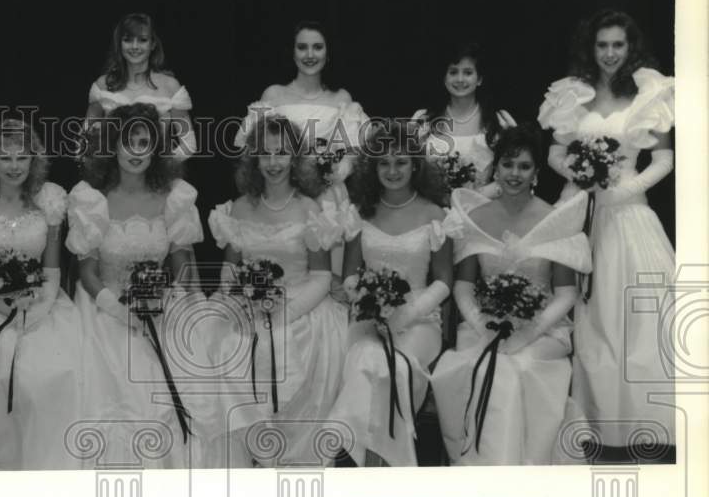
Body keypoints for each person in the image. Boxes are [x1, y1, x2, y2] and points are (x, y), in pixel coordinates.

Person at [538, 9, 675, 456]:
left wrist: (623, 189)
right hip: (580, 213)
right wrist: (579, 172)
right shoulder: (571, 94)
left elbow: (663, 159)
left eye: (618, 44)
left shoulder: (646, 93)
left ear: (630, 47)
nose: (611, 53)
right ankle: (594, 424)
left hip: (628, 216)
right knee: (588, 319)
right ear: (591, 48)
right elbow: (556, 151)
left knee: (633, 318)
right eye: (602, 45)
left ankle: (645, 424)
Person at [430, 125, 591, 465]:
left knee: (516, 367)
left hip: (543, 331)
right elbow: (463, 285)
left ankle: (516, 471)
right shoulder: (475, 217)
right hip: (483, 327)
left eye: (524, 166)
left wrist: (528, 332)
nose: (514, 174)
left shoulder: (554, 219)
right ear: (496, 169)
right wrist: (481, 323)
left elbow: (566, 292)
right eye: (508, 165)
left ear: (535, 173)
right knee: (488, 364)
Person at [68, 104, 212, 468]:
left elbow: (182, 264)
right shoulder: (91, 198)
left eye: (144, 142)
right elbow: (87, 273)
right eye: (127, 142)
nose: (136, 152)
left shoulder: (175, 195)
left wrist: (165, 298)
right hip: (107, 310)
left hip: (162, 307)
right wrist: (122, 310)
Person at [209, 113, 355, 467]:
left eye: (282, 153)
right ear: (255, 159)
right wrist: (244, 302)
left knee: (290, 349)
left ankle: (293, 460)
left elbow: (322, 277)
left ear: (295, 157)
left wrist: (282, 312)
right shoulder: (239, 208)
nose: (274, 163)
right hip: (249, 307)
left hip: (302, 303)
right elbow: (230, 271)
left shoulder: (310, 208)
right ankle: (253, 455)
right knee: (226, 348)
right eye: (266, 154)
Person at [0, 118, 82, 470]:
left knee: (49, 373)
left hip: (38, 307)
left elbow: (54, 270)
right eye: (5, 158)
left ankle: (36, 462)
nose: (14, 166)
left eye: (22, 157)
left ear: (33, 160)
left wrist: (39, 308)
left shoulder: (49, 204)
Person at [328, 120, 452, 467]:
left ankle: (374, 465)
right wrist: (369, 303)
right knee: (365, 360)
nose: (392, 170)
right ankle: (376, 466)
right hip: (370, 317)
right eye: (384, 163)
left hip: (420, 321)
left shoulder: (434, 213)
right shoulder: (360, 212)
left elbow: (443, 280)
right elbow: (349, 275)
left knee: (392, 367)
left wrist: (407, 313)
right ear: (374, 167)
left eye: (400, 162)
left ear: (415, 164)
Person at [235, 20, 368, 280]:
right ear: (292, 52)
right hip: (281, 197)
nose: (310, 55)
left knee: (329, 280)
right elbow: (248, 149)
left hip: (327, 198)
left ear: (328, 53)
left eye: (317, 47)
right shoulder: (273, 95)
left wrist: (328, 174)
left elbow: (354, 154)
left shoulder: (341, 98)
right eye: (302, 47)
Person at [412, 41, 516, 203]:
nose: (460, 79)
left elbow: (514, 173)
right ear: (444, 78)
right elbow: (410, 171)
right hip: (432, 210)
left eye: (467, 73)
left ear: (479, 79)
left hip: (482, 210)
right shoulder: (423, 120)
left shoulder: (500, 122)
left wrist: (476, 198)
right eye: (453, 72)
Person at [85, 13, 195, 156]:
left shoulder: (170, 87)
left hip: (158, 175)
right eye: (128, 40)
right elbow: (84, 140)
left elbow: (189, 144)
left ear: (153, 44)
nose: (135, 46)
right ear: (120, 44)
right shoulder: (103, 85)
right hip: (112, 175)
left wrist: (159, 168)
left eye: (143, 40)